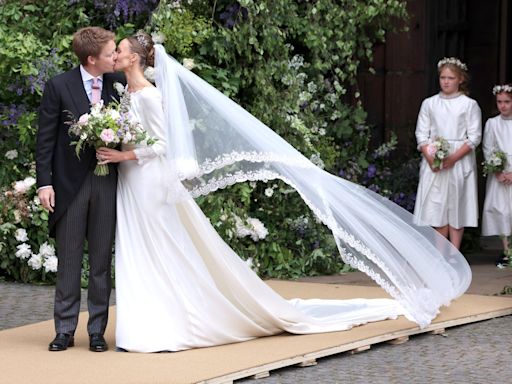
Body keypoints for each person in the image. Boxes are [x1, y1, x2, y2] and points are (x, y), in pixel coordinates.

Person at [98, 32, 471, 352]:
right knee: (140, 247)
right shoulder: (127, 92)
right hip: (131, 178)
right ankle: (148, 319)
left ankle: (165, 323)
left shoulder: (148, 94)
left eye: (120, 49)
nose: (115, 54)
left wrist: (123, 152)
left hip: (147, 179)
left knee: (159, 246)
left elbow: (164, 144)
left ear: (134, 57)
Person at [36, 27, 125, 352]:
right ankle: (64, 330)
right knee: (69, 260)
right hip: (68, 187)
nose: (115, 57)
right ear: (91, 59)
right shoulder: (58, 86)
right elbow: (45, 139)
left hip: (106, 182)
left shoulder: (120, 85)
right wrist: (44, 182)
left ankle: (98, 331)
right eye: (110, 53)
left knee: (101, 261)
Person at [413, 57, 482, 250]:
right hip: (434, 160)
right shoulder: (429, 103)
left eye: (450, 78)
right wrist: (430, 157)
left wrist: (453, 158)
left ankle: (455, 252)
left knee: (457, 204)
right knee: (437, 205)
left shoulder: (469, 105)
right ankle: (440, 252)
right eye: (443, 77)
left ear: (460, 79)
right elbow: (421, 132)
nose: (445, 81)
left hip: (459, 160)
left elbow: (474, 136)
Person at [481, 84, 512, 265]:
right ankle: (506, 250)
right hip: (500, 172)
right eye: (500, 102)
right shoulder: (492, 123)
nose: (503, 106)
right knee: (501, 211)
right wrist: (498, 170)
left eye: (507, 102)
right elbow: (488, 147)